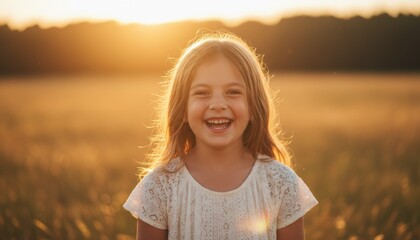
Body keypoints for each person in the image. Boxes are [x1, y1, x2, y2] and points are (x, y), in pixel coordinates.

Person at [123, 31, 318, 240]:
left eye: (233, 92)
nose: (217, 105)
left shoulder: (281, 184)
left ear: (253, 106)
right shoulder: (159, 187)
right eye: (202, 93)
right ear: (183, 109)